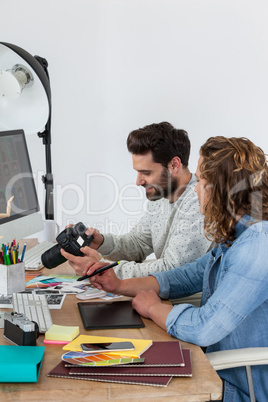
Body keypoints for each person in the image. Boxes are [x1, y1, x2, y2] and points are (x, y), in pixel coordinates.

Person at [72, 136, 268, 401]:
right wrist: (117, 283)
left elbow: (203, 328)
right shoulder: (235, 235)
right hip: (213, 364)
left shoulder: (256, 246)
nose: (197, 188)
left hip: (236, 385)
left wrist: (155, 308)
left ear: (221, 190)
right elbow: (187, 275)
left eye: (203, 181)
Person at [62, 122, 210, 279]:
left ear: (174, 165)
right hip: (164, 294)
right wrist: (100, 243)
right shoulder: (162, 195)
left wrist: (101, 269)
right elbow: (139, 244)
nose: (138, 181)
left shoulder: (198, 203)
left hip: (188, 299)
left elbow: (171, 269)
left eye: (146, 172)